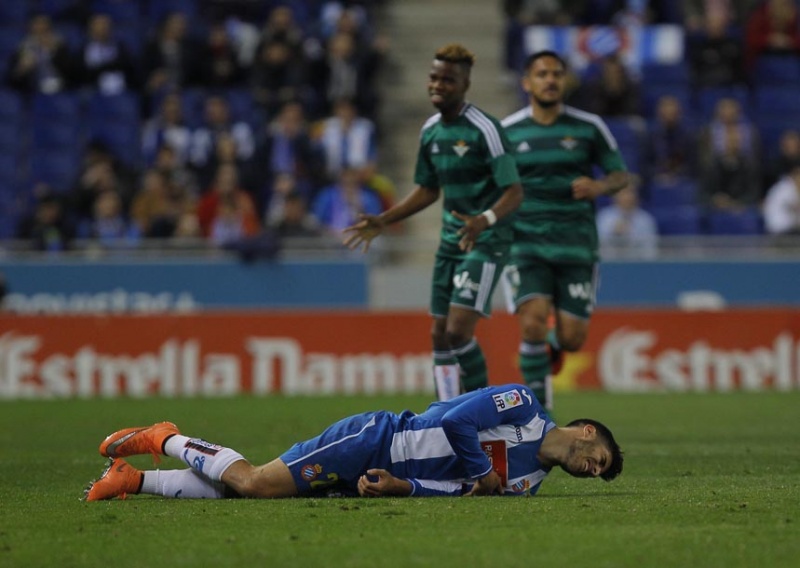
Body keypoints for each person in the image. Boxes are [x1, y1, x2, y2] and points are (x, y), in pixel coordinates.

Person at [343, 44, 523, 401]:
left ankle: (482, 411)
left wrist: (484, 219)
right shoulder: (430, 131)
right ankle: (445, 412)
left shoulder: (485, 129)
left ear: (465, 84)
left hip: (486, 241)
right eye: (434, 77)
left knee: (457, 331)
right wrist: (384, 219)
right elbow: (428, 189)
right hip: (451, 242)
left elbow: (515, 191)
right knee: (439, 334)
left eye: (448, 80)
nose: (438, 85)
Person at [83, 383, 623, 501]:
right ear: (587, 431)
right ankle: (165, 436)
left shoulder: (528, 485)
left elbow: (460, 492)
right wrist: (483, 472)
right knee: (255, 483)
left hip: (386, 472)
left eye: (598, 473)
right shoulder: (523, 405)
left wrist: (403, 488)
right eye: (600, 460)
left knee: (262, 493)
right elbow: (457, 420)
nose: (593, 469)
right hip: (376, 437)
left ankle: (135, 480)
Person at [500, 51, 628, 410]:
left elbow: (620, 175)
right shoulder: (507, 132)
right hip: (525, 243)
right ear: (527, 83)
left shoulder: (589, 127)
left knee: (573, 338)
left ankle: (553, 350)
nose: (550, 80)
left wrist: (599, 186)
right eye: (542, 74)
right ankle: (539, 417)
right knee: (532, 324)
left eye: (556, 74)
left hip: (576, 244)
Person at [596, 176, 659, 259]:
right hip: (609, 262)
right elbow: (597, 245)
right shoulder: (604, 217)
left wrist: (631, 234)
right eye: (623, 193)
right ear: (615, 196)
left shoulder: (645, 219)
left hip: (636, 262)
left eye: (630, 192)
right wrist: (613, 232)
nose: (627, 197)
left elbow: (651, 250)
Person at [763, 163, 800, 235]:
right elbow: (794, 206)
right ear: (794, 175)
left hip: (791, 229)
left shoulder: (795, 187)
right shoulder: (784, 188)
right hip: (779, 230)